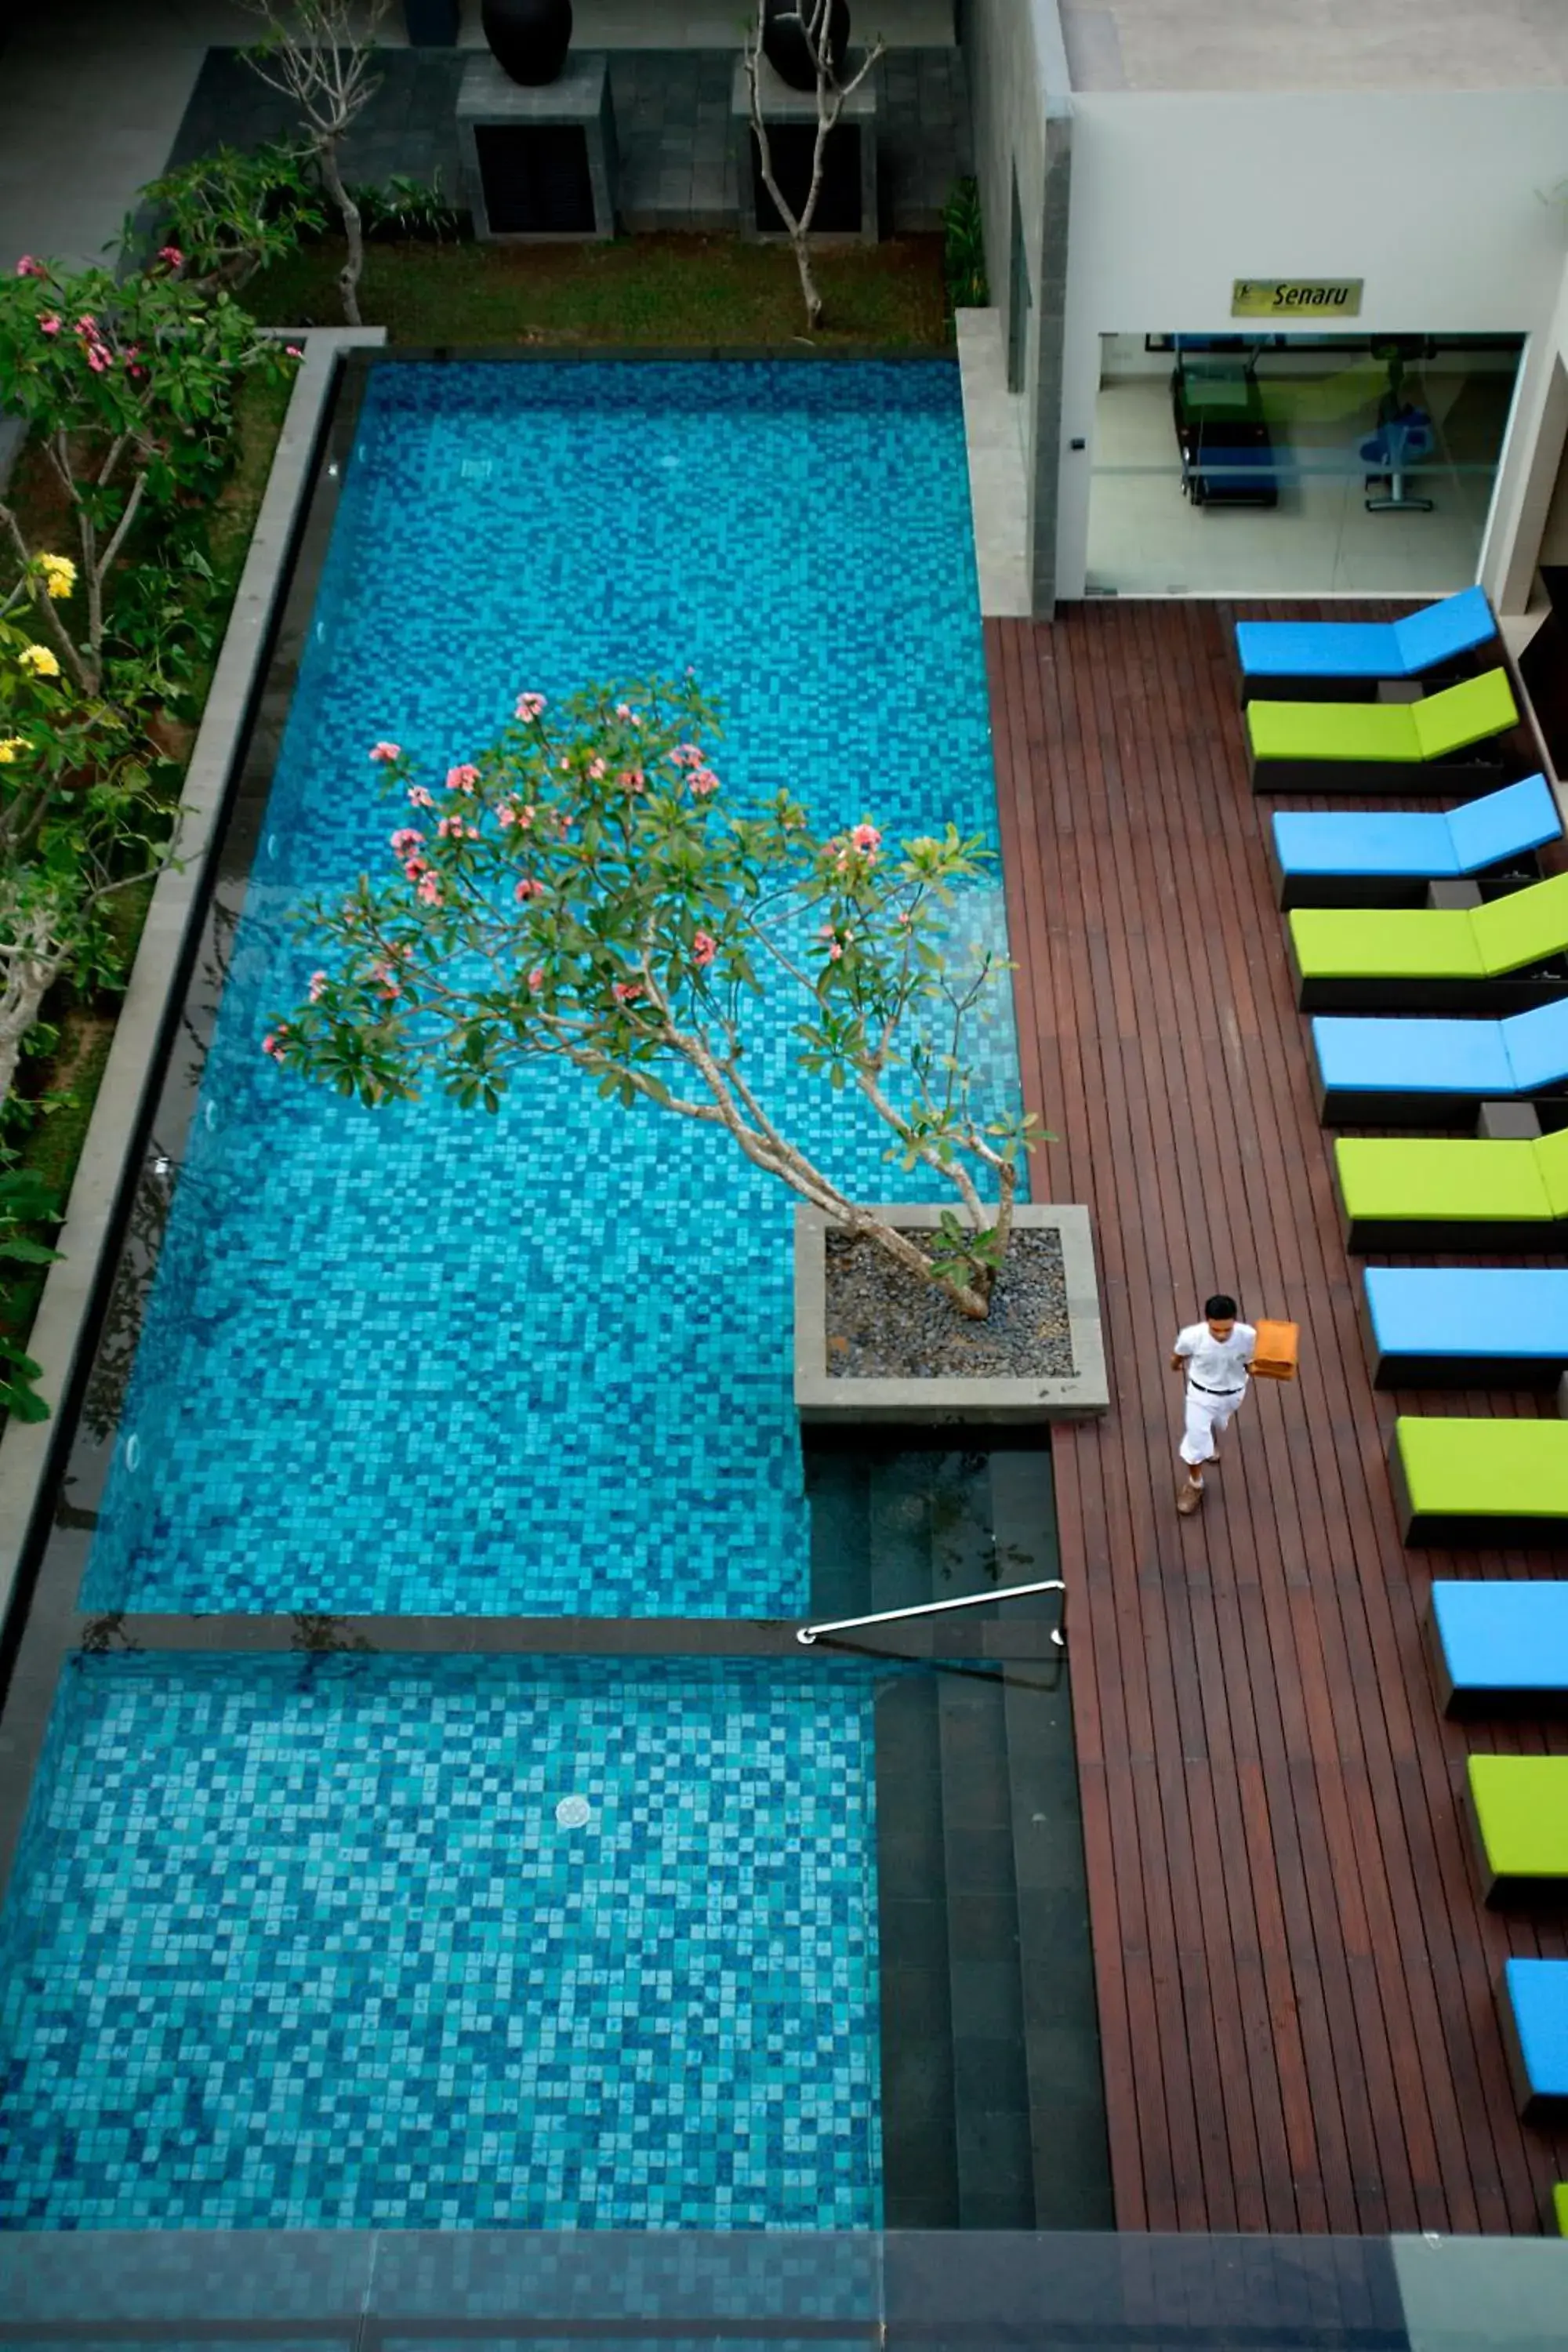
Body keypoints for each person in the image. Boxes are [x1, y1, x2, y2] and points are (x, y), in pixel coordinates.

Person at [1170, 1293, 1257, 1516]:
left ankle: (1206, 1439)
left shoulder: (1249, 1336)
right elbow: (1178, 1356)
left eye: (1227, 1330)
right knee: (1195, 1443)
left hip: (1233, 1394)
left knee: (1217, 1423)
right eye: (1216, 1329)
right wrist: (1176, 1365)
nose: (1222, 1335)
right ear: (1206, 1320)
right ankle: (1195, 1483)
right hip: (1201, 1395)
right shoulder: (1192, 1336)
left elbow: (1252, 1362)